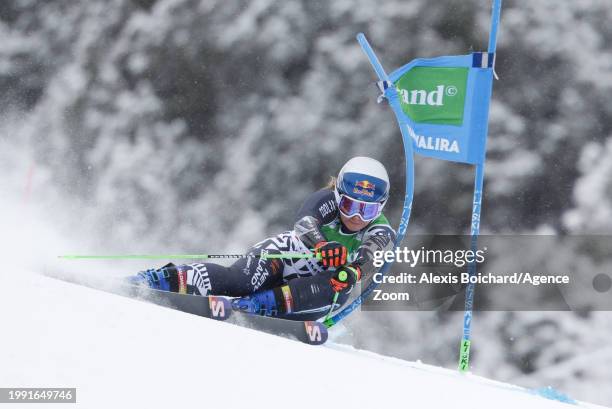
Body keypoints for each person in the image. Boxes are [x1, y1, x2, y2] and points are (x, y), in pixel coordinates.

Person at [129, 156, 396, 321]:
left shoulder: (381, 231)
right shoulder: (326, 200)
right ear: (338, 196)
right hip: (291, 255)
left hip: (317, 290)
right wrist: (322, 245)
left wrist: (352, 270)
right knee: (239, 281)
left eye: (368, 209)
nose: (358, 217)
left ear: (380, 208)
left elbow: (371, 257)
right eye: (350, 206)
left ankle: (260, 306)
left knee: (340, 283)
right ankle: (162, 278)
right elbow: (304, 222)